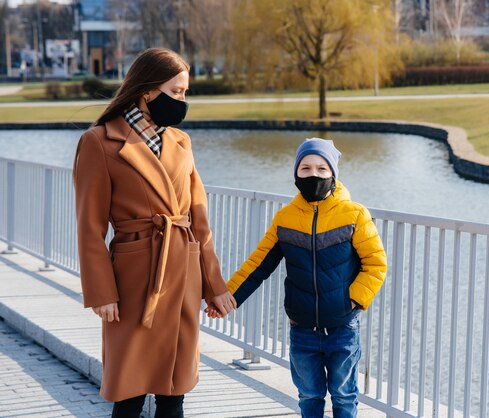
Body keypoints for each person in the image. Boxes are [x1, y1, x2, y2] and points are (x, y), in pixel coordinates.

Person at [73, 48, 236, 418]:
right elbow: (89, 228)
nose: (182, 101)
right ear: (147, 91)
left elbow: (199, 221)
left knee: (175, 391)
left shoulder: (181, 142)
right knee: (129, 393)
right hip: (133, 280)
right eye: (176, 91)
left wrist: (215, 285)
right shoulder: (99, 142)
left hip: (182, 274)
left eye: (185, 92)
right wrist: (101, 292)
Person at [209, 138, 387, 417]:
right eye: (305, 168)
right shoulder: (285, 218)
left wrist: (352, 301)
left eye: (321, 169)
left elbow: (375, 264)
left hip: (343, 328)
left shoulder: (354, 215)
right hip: (302, 330)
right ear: (296, 174)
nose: (313, 175)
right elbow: (257, 265)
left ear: (333, 175)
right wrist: (228, 298)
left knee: (344, 396)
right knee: (309, 396)